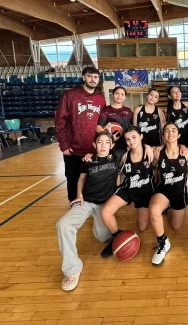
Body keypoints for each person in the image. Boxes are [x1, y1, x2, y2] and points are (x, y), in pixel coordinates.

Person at [56, 132, 120, 291]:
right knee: (63, 225)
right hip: (87, 202)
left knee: (102, 237)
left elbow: (136, 147)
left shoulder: (116, 157)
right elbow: (82, 179)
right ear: (94, 145)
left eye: (107, 142)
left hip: (104, 206)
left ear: (112, 145)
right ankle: (72, 269)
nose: (103, 145)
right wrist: (79, 195)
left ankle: (97, 223)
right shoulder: (88, 160)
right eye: (100, 142)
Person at [99, 126, 155, 258]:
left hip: (145, 194)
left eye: (134, 137)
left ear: (141, 137)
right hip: (127, 190)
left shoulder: (151, 152)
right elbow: (104, 155)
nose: (131, 141)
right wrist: (89, 156)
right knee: (105, 212)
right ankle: (116, 235)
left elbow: (170, 147)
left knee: (142, 228)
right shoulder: (124, 155)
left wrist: (147, 146)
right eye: (128, 139)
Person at [55, 66, 106, 202]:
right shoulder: (70, 95)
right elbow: (60, 122)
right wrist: (64, 144)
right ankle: (73, 205)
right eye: (89, 76)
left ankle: (89, 206)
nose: (92, 79)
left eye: (95, 77)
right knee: (73, 180)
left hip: (93, 150)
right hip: (74, 150)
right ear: (83, 77)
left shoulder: (100, 99)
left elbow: (101, 123)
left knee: (92, 180)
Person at [149, 123, 188, 265]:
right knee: (154, 210)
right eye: (167, 131)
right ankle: (163, 242)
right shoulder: (157, 151)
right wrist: (149, 150)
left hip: (180, 193)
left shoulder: (186, 152)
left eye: (174, 130)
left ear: (179, 135)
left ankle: (168, 208)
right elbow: (139, 145)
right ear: (163, 136)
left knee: (175, 226)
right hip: (163, 191)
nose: (170, 133)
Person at [97, 86, 133, 154]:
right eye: (117, 93)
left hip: (127, 143)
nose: (119, 96)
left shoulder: (128, 111)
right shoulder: (106, 110)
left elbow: (133, 127)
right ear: (113, 95)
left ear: (125, 97)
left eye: (122, 94)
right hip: (112, 144)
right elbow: (98, 127)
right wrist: (109, 137)